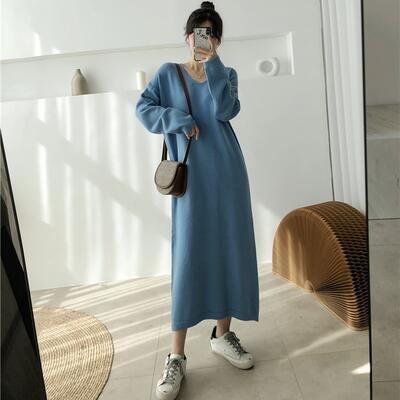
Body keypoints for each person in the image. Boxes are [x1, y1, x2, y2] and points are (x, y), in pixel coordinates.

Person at [135, 2, 259, 399]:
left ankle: (222, 335)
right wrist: (179, 120)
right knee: (188, 258)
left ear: (217, 40)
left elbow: (226, 110)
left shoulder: (226, 74)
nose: (204, 39)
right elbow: (143, 109)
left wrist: (214, 65)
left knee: (228, 251)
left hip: (228, 176)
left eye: (212, 34)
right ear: (187, 36)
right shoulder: (167, 74)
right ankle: (176, 357)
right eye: (199, 33)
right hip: (192, 181)